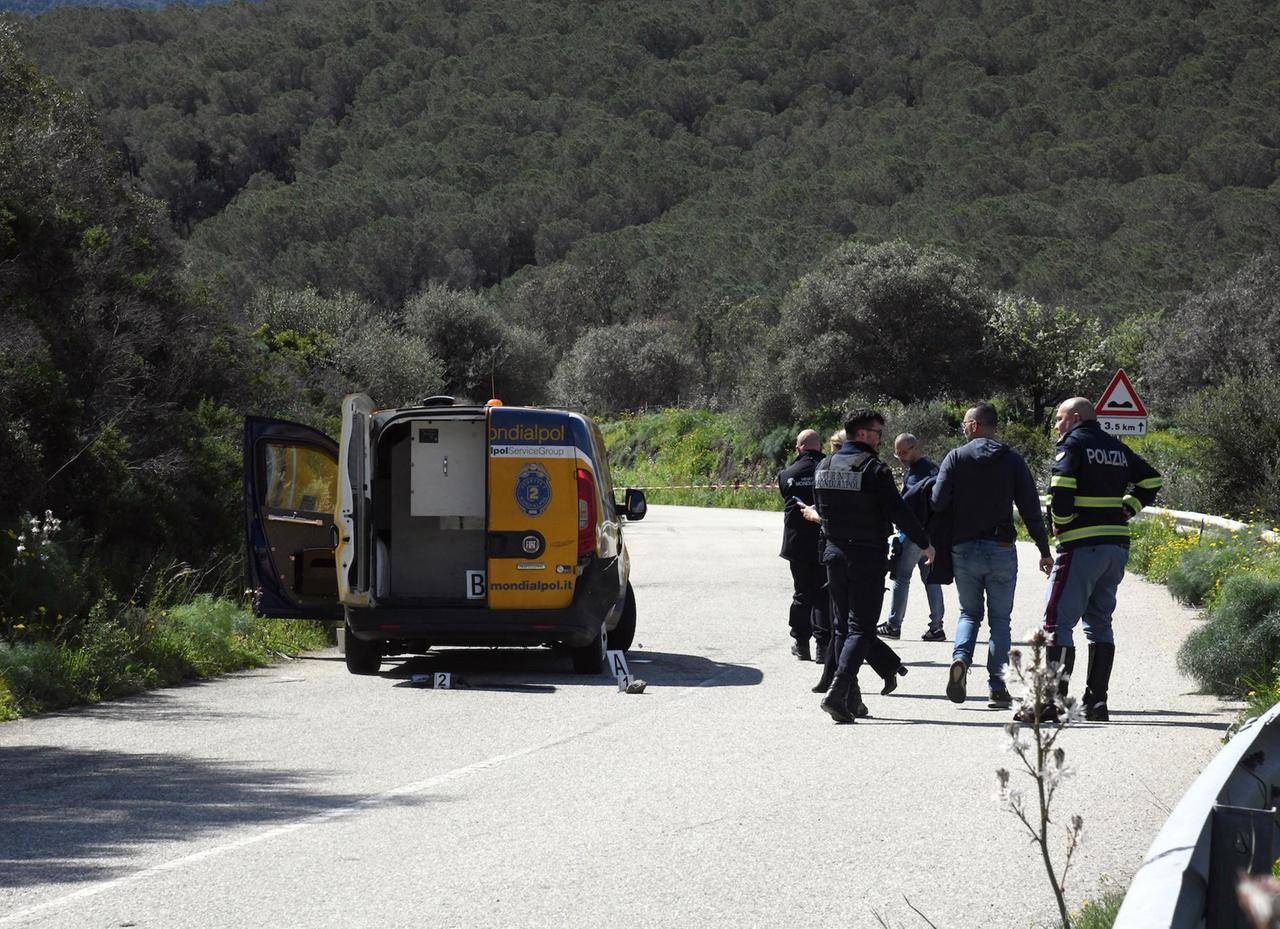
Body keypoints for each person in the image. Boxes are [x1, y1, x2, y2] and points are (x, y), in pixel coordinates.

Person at [1029, 397, 1163, 722]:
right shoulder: (1115, 447)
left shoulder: (1072, 445)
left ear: (1075, 418)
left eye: (1059, 419)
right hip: (1116, 546)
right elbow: (1152, 480)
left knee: (1056, 622)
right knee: (1100, 622)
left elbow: (1059, 490)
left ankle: (1053, 703)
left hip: (1081, 545)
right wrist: (1128, 508)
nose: (1057, 426)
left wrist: (1062, 521)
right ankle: (1097, 702)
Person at [803, 409, 934, 723]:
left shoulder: (824, 465)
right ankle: (838, 692)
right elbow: (899, 511)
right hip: (865, 556)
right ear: (863, 434)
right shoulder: (874, 469)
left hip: (834, 555)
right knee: (860, 628)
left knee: (842, 627)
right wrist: (925, 543)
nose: (881, 438)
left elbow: (820, 509)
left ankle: (852, 700)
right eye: (877, 432)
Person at [930, 403, 1053, 710]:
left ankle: (961, 658)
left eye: (964, 423)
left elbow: (937, 501)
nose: (962, 427)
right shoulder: (1012, 460)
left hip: (964, 547)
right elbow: (1029, 508)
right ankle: (997, 687)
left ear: (974, 426)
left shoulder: (956, 458)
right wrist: (1043, 550)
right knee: (1000, 620)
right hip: (1000, 548)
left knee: (969, 614)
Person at [809, 430, 911, 700]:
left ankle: (841, 688)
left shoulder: (839, 468)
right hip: (855, 554)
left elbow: (837, 514)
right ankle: (850, 690)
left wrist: (816, 516)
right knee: (851, 626)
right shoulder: (861, 468)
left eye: (836, 446)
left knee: (851, 627)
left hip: (844, 554)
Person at [877, 434, 946, 642]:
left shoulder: (918, 472)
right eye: (897, 453)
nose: (900, 457)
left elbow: (907, 504)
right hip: (930, 534)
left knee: (901, 577)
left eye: (904, 452)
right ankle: (937, 627)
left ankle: (893, 625)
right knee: (930, 579)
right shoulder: (934, 468)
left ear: (916, 448)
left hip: (914, 534)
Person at [777, 429, 826, 662]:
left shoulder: (787, 473)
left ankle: (801, 642)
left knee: (802, 592)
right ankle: (823, 646)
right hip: (824, 539)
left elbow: (785, 494)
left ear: (798, 448)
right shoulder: (829, 469)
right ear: (821, 446)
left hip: (797, 543)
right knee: (823, 593)